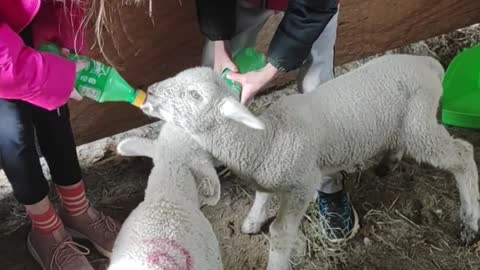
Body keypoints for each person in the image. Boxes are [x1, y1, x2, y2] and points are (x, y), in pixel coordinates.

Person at [195, 0, 359, 241]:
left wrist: (268, 73)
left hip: (312, 7)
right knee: (216, 73)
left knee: (317, 84)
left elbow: (315, 8)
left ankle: (327, 184)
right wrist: (220, 41)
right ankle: (214, 157)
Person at [0, 1, 121, 269]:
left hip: (24, 13)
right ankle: (45, 229)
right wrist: (47, 78)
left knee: (54, 109)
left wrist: (57, 36)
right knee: (11, 125)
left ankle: (77, 210)